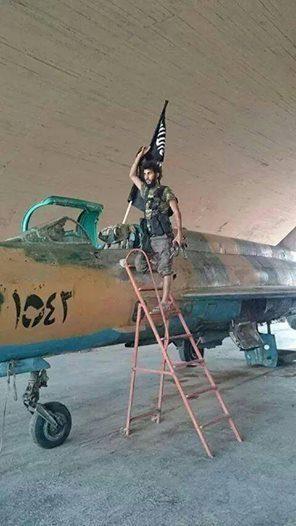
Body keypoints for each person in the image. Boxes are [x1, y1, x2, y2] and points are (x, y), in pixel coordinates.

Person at [128, 145, 184, 310]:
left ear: (157, 174)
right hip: (151, 237)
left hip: (163, 236)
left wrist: (179, 234)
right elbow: (132, 175)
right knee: (140, 263)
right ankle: (158, 260)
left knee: (165, 269)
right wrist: (139, 157)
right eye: (145, 174)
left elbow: (177, 212)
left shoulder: (165, 191)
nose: (146, 176)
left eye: (149, 173)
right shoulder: (145, 191)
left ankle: (165, 301)